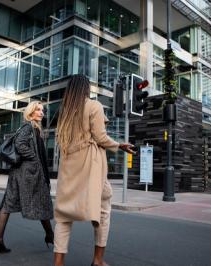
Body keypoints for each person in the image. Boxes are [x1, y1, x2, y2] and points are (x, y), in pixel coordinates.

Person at [53, 74, 134, 266]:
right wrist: (119, 145)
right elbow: (100, 137)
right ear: (86, 88)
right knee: (103, 208)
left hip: (68, 167)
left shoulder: (65, 111)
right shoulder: (94, 106)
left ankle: (58, 263)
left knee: (64, 216)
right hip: (90, 167)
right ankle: (98, 260)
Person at [0, 101, 54, 254]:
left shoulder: (33, 128)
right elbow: (20, 144)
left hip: (18, 173)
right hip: (29, 174)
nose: (41, 113)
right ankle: (51, 235)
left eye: (42, 110)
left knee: (8, 204)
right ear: (31, 112)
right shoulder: (29, 127)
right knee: (41, 201)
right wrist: (34, 158)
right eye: (38, 110)